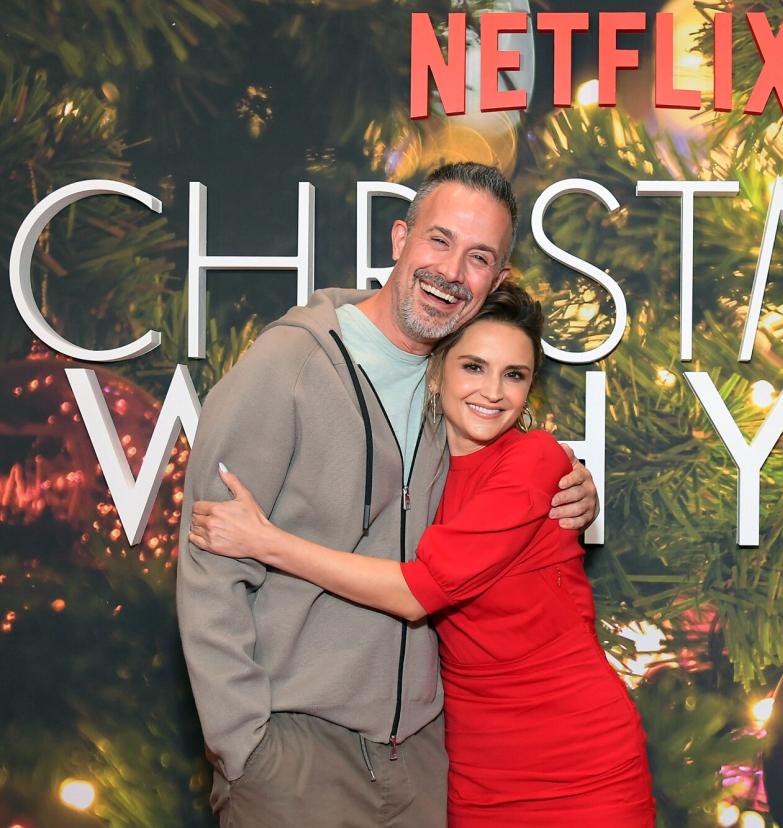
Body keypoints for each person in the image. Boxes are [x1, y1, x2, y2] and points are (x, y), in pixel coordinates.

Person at [176, 162, 598, 827]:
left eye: (478, 257)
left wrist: (577, 490)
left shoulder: (452, 381)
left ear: (494, 279)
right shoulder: (288, 366)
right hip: (296, 758)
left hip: (422, 763)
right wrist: (244, 748)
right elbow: (210, 562)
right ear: (400, 238)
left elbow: (497, 489)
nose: (452, 270)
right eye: (439, 240)